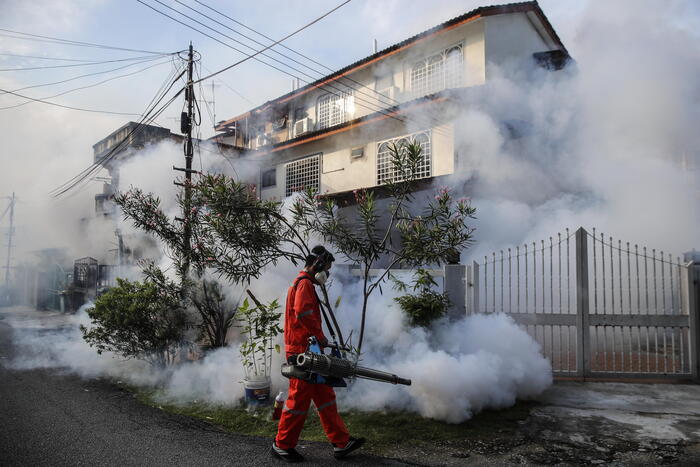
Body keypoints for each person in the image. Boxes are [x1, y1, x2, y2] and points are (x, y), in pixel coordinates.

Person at [272, 245, 365, 463]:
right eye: (328, 267)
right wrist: (320, 336)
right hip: (303, 351)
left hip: (309, 349)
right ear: (318, 265)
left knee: (325, 397)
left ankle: (341, 443)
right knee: (298, 401)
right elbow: (302, 313)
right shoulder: (304, 284)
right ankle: (282, 445)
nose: (328, 273)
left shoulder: (305, 283)